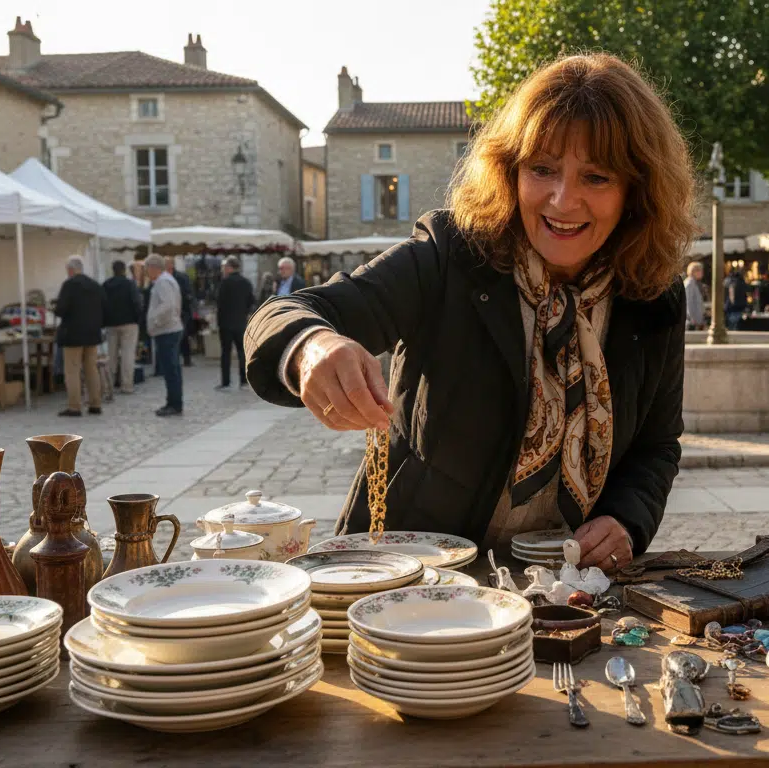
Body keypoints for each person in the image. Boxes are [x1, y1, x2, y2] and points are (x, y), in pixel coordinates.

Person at [244, 54, 696, 573]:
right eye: (542, 169)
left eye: (596, 177)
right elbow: (284, 313)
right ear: (510, 170)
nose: (563, 199)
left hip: (567, 586)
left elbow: (657, 446)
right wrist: (312, 347)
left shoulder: (655, 297)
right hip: (410, 577)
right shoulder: (451, 254)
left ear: (637, 191)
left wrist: (627, 519)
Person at [54, 257, 108, 417]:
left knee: (72, 370)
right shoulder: (95, 285)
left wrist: (55, 308)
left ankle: (74, 406)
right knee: (91, 369)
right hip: (92, 334)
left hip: (72, 334)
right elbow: (105, 307)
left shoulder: (69, 285)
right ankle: (95, 404)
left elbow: (61, 309)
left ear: (70, 270)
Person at [144, 255, 184, 416]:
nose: (146, 272)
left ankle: (174, 403)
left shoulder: (163, 282)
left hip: (167, 330)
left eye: (147, 269)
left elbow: (168, 306)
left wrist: (155, 321)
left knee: (171, 370)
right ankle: (173, 402)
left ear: (154, 268)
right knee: (171, 369)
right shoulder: (166, 280)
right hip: (169, 329)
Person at [216, 256, 256, 390]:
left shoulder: (225, 282)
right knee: (242, 353)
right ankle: (244, 381)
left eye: (224, 267)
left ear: (229, 267)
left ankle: (226, 382)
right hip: (241, 322)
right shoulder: (246, 282)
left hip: (226, 323)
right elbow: (252, 302)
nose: (223, 270)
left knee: (226, 353)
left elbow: (220, 303)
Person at [103, 260, 142, 394]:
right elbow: (137, 302)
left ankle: (109, 385)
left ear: (112, 270)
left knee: (111, 356)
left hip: (110, 324)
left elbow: (102, 304)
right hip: (129, 323)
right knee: (127, 355)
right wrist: (138, 318)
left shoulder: (106, 285)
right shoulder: (130, 284)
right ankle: (127, 385)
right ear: (124, 270)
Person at [170, 262, 195, 367]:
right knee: (183, 336)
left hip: (181, 311)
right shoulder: (182, 277)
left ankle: (182, 358)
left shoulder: (178, 278)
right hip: (182, 310)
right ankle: (186, 358)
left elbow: (187, 294)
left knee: (181, 336)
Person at [683, 262, 705, 330]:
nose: (702, 273)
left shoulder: (694, 283)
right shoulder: (690, 284)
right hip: (692, 322)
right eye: (700, 271)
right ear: (694, 271)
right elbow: (688, 302)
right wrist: (692, 319)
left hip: (695, 321)